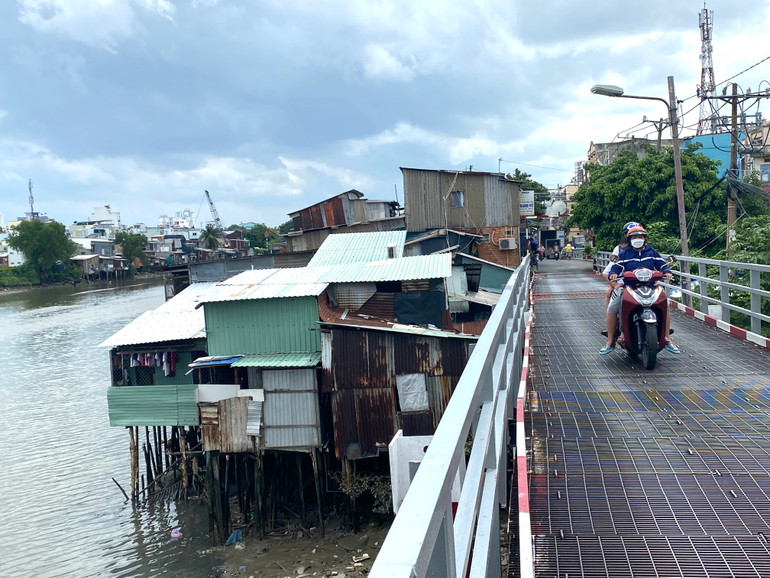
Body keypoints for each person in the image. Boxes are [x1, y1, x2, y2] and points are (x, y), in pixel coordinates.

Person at [600, 224, 680, 355]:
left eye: (640, 236)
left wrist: (666, 271)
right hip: (629, 286)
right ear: (630, 239)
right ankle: (610, 342)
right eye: (634, 237)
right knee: (613, 307)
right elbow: (616, 266)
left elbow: (661, 263)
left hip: (650, 285)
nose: (638, 239)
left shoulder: (651, 251)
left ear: (644, 238)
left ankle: (666, 339)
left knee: (665, 303)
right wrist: (614, 274)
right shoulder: (624, 253)